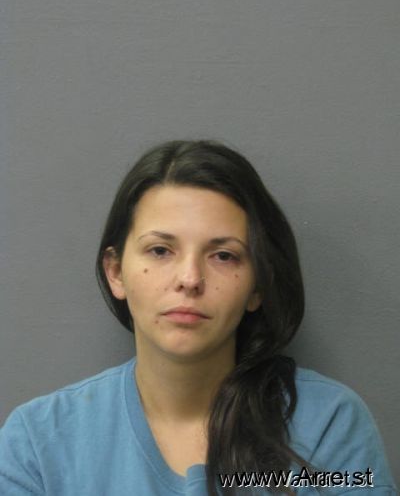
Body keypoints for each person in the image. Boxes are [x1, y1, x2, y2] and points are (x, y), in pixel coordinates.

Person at [0, 140, 396, 495]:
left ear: (258, 286)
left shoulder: (329, 424)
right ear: (116, 272)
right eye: (160, 250)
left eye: (224, 255)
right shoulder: (37, 443)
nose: (190, 279)